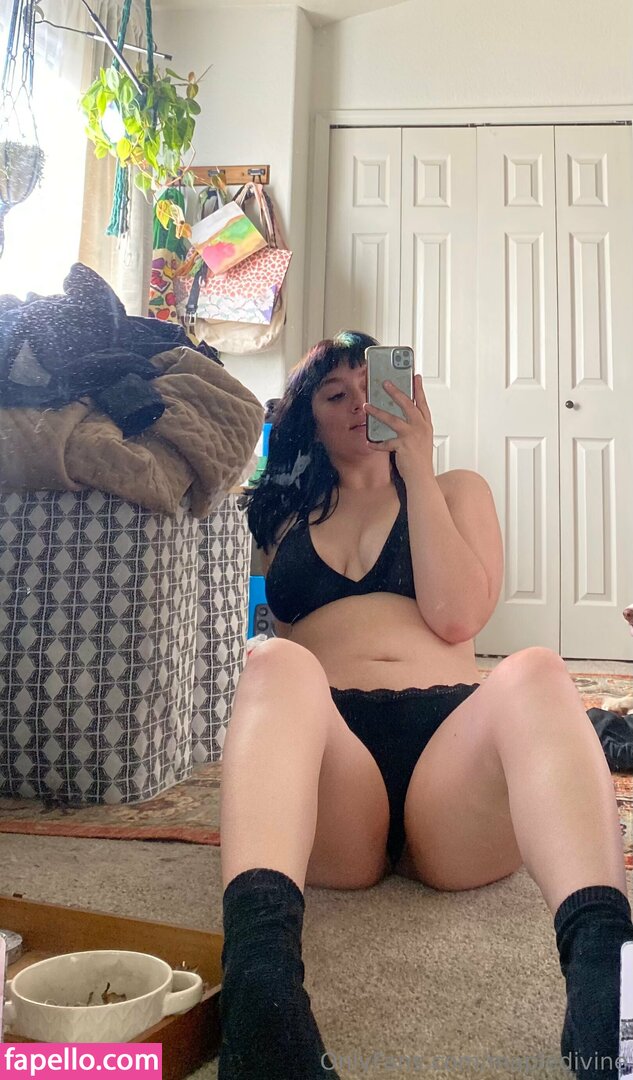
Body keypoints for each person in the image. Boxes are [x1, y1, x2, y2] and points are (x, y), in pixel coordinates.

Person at [218, 331, 632, 1080]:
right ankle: (260, 996)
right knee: (273, 662)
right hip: (339, 773)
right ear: (310, 418)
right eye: (335, 394)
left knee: (536, 670)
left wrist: (415, 465)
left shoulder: (456, 491)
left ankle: (610, 989)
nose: (357, 404)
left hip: (452, 769)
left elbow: (456, 616)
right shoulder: (280, 518)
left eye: (371, 386)